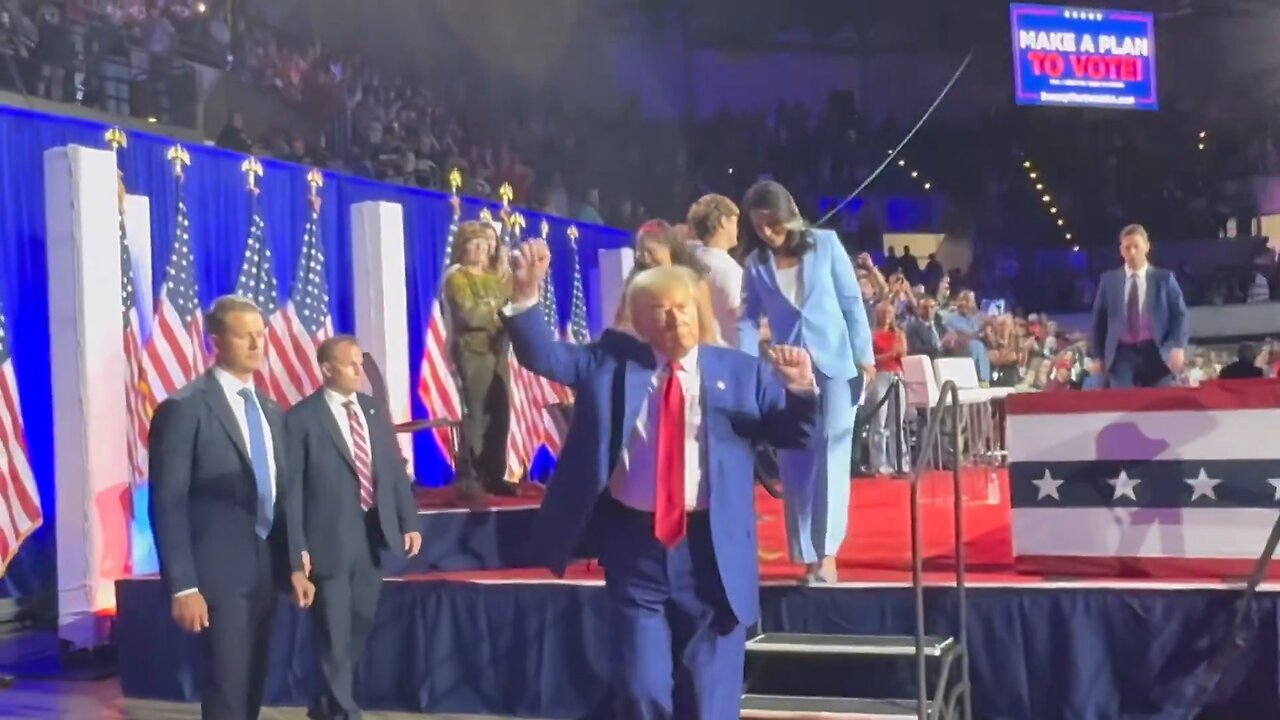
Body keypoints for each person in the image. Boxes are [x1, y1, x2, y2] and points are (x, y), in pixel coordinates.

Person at [503, 244, 818, 719]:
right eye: (660, 312)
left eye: (683, 309)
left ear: (700, 310)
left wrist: (800, 390)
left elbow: (792, 434)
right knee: (640, 688)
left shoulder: (740, 372)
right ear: (640, 321)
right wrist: (526, 296)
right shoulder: (610, 363)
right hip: (636, 549)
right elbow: (545, 357)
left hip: (712, 552)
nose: (675, 321)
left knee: (709, 702)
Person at [148, 295, 308, 720]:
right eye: (244, 336)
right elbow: (167, 501)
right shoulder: (185, 409)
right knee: (226, 686)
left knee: (254, 681)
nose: (256, 344)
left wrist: (293, 563)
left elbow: (284, 491)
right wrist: (183, 586)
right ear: (214, 341)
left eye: (261, 335)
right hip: (216, 574)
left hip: (265, 570)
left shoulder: (272, 412)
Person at [735, 179, 874, 584]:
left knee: (832, 452)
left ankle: (827, 553)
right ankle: (806, 551)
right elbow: (746, 320)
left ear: (789, 214)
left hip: (837, 365)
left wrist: (864, 355)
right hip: (788, 370)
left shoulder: (826, 244)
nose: (767, 232)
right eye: (758, 225)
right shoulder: (755, 265)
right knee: (796, 460)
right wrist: (747, 367)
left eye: (773, 222)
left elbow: (852, 302)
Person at [284, 335, 423, 720]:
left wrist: (408, 520)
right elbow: (291, 493)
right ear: (327, 369)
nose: (360, 372)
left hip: (371, 536)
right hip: (327, 542)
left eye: (360, 364)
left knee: (359, 623)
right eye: (351, 365)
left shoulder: (371, 409)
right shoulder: (300, 419)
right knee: (332, 630)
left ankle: (325, 703)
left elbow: (393, 469)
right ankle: (346, 711)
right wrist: (297, 553)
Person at [444, 221, 514, 497]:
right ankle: (471, 474)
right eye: (476, 244)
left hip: (498, 351)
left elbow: (511, 303)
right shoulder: (457, 278)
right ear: (463, 247)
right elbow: (469, 315)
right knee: (476, 414)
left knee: (500, 413)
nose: (482, 249)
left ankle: (494, 473)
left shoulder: (496, 278)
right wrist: (497, 312)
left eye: (486, 244)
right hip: (472, 351)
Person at [1088, 224, 1190, 388]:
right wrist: (1097, 356)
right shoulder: (1109, 281)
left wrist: (1178, 346)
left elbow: (1179, 315)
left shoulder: (1164, 278)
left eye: (1136, 246)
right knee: (1123, 403)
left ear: (1147, 247)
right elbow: (1099, 322)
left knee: (1158, 405)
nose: (1132, 252)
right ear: (1121, 250)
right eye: (1127, 248)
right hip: (1121, 353)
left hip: (1156, 351)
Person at [615, 219, 722, 344]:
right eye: (640, 253)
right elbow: (621, 326)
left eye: (650, 252)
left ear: (669, 249)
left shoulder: (695, 284)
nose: (645, 258)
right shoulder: (634, 287)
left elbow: (706, 334)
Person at [686, 194, 744, 347]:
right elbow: (740, 319)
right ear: (724, 222)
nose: (737, 230)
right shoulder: (728, 270)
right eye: (735, 223)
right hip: (730, 356)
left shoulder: (689, 263)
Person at [868, 302, 909, 476]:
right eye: (883, 312)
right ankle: (879, 463)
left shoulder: (899, 333)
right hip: (880, 376)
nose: (886, 316)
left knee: (896, 423)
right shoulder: (871, 335)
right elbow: (870, 359)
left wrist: (895, 354)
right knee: (879, 421)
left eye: (889, 312)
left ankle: (901, 462)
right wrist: (889, 355)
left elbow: (903, 353)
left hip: (898, 375)